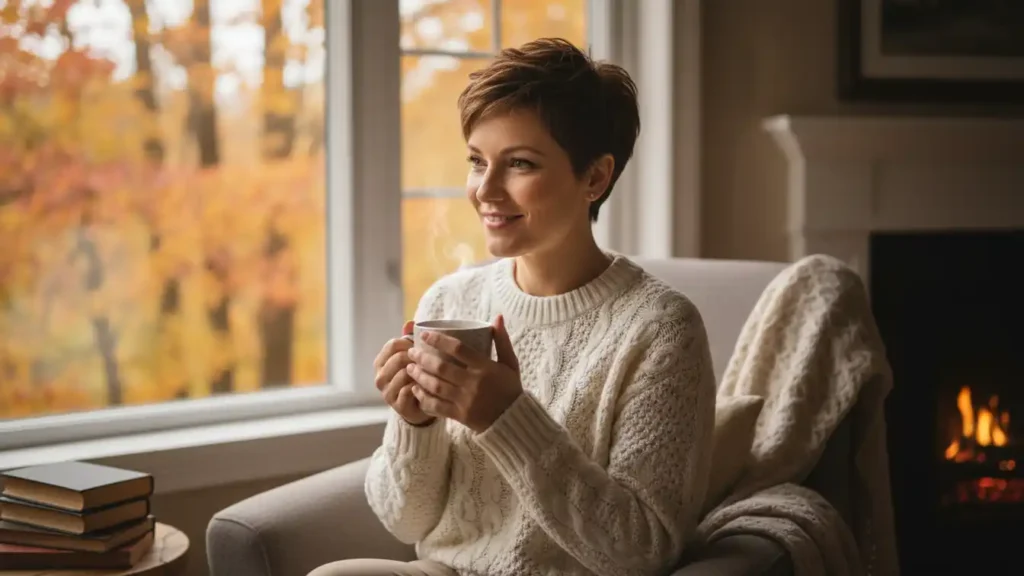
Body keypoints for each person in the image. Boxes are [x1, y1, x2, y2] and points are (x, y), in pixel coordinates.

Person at [308, 38, 716, 576]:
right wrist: (415, 423)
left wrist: (507, 417)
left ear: (594, 177)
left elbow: (643, 551)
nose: (485, 190)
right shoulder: (451, 300)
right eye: (478, 161)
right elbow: (405, 524)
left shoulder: (661, 329)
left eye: (519, 163)